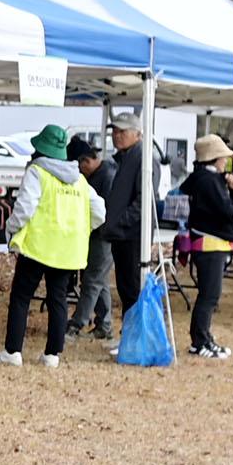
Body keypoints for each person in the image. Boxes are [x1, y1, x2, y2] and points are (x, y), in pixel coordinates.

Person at [0, 123, 102, 368]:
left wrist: (10, 229)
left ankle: (13, 352)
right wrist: (81, 229)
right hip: (67, 250)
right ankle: (52, 355)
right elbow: (100, 211)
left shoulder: (37, 172)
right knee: (58, 299)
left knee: (21, 297)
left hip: (37, 247)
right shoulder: (79, 179)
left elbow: (24, 208)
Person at [182, 134, 233, 359]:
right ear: (215, 158)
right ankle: (201, 341)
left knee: (208, 294)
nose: (225, 161)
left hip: (206, 242)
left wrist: (231, 187)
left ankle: (202, 339)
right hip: (210, 243)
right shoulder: (209, 181)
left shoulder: (201, 179)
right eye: (223, 157)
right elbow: (224, 209)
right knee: (209, 295)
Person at [68, 134, 116, 342]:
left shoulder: (107, 177)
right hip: (97, 234)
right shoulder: (101, 173)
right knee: (99, 279)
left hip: (103, 235)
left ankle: (77, 323)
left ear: (86, 162)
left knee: (92, 280)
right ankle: (104, 325)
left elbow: (104, 212)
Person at [103, 110, 148, 325]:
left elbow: (143, 201)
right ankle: (129, 336)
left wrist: (120, 221)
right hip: (121, 234)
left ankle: (133, 338)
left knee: (131, 289)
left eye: (122, 131)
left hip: (131, 236)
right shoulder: (125, 158)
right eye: (114, 131)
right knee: (125, 289)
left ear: (137, 134)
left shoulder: (142, 158)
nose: (116, 135)